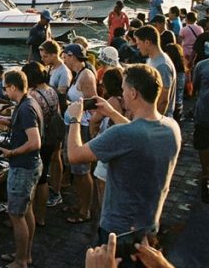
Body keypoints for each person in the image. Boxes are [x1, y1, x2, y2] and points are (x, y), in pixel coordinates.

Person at [67, 64, 180, 257]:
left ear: (134, 93)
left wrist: (75, 119)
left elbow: (74, 155)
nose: (123, 93)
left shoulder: (121, 134)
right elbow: (139, 133)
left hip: (117, 232)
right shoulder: (171, 128)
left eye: (124, 89)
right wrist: (112, 113)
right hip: (148, 225)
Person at [0, 70, 42, 268]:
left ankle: (21, 261)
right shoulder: (28, 102)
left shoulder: (25, 108)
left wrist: (11, 153)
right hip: (31, 165)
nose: (5, 92)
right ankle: (25, 254)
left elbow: (35, 141)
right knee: (26, 210)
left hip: (23, 166)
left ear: (13, 87)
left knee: (16, 215)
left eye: (6, 88)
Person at [21, 62, 60, 228]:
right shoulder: (51, 90)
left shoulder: (34, 95)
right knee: (43, 178)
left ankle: (26, 217)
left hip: (39, 138)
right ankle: (41, 216)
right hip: (51, 138)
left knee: (32, 180)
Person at [61, 43, 96, 224]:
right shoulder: (77, 74)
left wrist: (75, 107)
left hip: (81, 126)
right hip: (73, 123)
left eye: (65, 56)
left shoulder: (86, 76)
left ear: (72, 56)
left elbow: (93, 101)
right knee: (74, 167)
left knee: (82, 171)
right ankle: (80, 203)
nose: (63, 60)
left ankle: (85, 210)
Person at [88, 67, 126, 213]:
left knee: (102, 181)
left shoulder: (111, 101)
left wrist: (94, 136)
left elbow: (94, 120)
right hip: (123, 143)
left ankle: (105, 216)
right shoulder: (126, 100)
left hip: (110, 143)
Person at [39, 39, 71, 207]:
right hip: (50, 117)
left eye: (45, 56)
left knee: (56, 155)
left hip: (58, 118)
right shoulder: (51, 68)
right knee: (51, 155)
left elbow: (61, 97)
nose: (43, 59)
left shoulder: (63, 72)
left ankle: (56, 190)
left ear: (53, 54)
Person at [134, 25, 176, 117]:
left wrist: (154, 121)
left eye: (138, 43)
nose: (137, 47)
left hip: (158, 118)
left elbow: (163, 100)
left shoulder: (162, 65)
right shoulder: (152, 59)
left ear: (147, 42)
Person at [193, 56, 209, 203]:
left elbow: (196, 86)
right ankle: (206, 175)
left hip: (204, 112)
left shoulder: (202, 66)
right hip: (204, 114)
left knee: (203, 145)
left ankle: (206, 176)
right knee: (203, 145)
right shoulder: (202, 65)